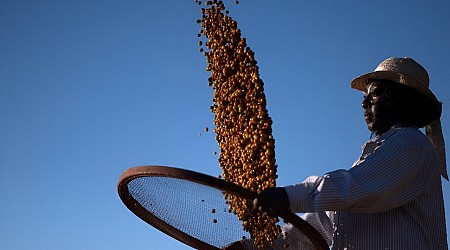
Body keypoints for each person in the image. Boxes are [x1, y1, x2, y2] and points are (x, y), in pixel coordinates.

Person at [228, 57, 448, 249]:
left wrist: (289, 196)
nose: (364, 102)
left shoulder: (411, 144)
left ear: (402, 99)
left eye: (376, 94)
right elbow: (313, 230)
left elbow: (353, 188)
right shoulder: (369, 162)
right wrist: (253, 247)